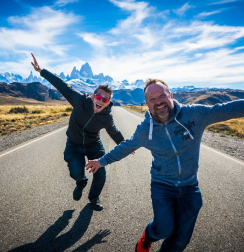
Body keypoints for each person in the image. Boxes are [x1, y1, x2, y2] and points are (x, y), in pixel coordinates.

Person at [85, 78, 244, 251]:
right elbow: (125, 147)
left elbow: (224, 110)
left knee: (179, 241)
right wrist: (101, 162)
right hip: (162, 186)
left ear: (171, 95)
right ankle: (149, 235)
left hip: (190, 187)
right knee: (163, 229)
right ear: (147, 104)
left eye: (162, 95)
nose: (158, 102)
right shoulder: (145, 130)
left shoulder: (194, 115)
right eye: (152, 99)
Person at [31, 53, 125, 211]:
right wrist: (41, 71)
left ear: (108, 102)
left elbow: (114, 132)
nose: (101, 101)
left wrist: (125, 146)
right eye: (98, 97)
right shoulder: (79, 100)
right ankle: (80, 181)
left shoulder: (106, 117)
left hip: (93, 144)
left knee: (100, 171)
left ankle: (94, 198)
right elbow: (61, 85)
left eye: (105, 99)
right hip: (73, 143)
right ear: (93, 96)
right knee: (75, 172)